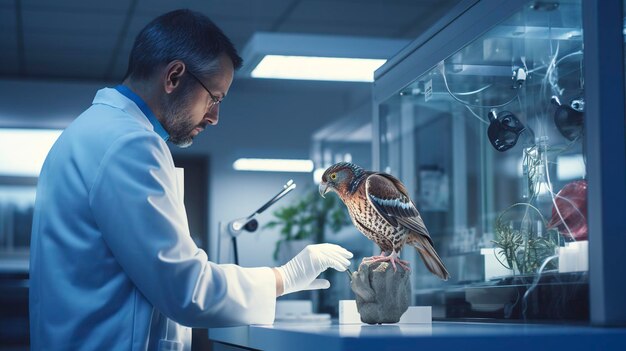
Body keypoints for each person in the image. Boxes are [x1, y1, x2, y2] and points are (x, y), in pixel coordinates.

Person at [29, 9, 353, 350]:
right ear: (174, 76)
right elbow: (185, 290)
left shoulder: (90, 131)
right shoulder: (130, 144)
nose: (214, 117)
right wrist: (283, 277)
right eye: (214, 98)